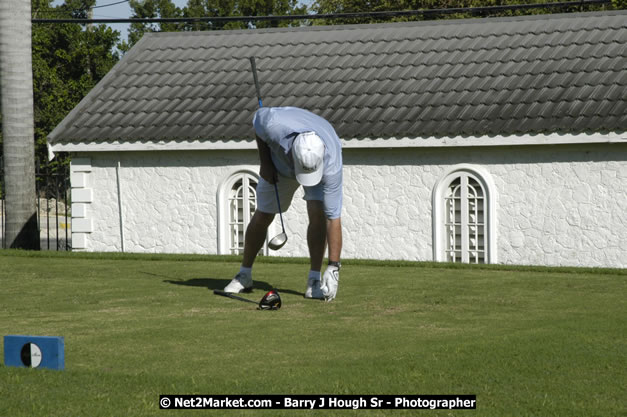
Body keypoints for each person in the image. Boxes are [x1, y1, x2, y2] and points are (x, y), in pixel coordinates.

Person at [224, 106, 343, 302]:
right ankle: (244, 275)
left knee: (318, 213)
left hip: (321, 167)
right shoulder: (272, 124)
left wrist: (334, 266)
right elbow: (257, 123)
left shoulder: (331, 166)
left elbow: (333, 218)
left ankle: (314, 281)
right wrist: (266, 162)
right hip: (279, 164)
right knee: (264, 213)